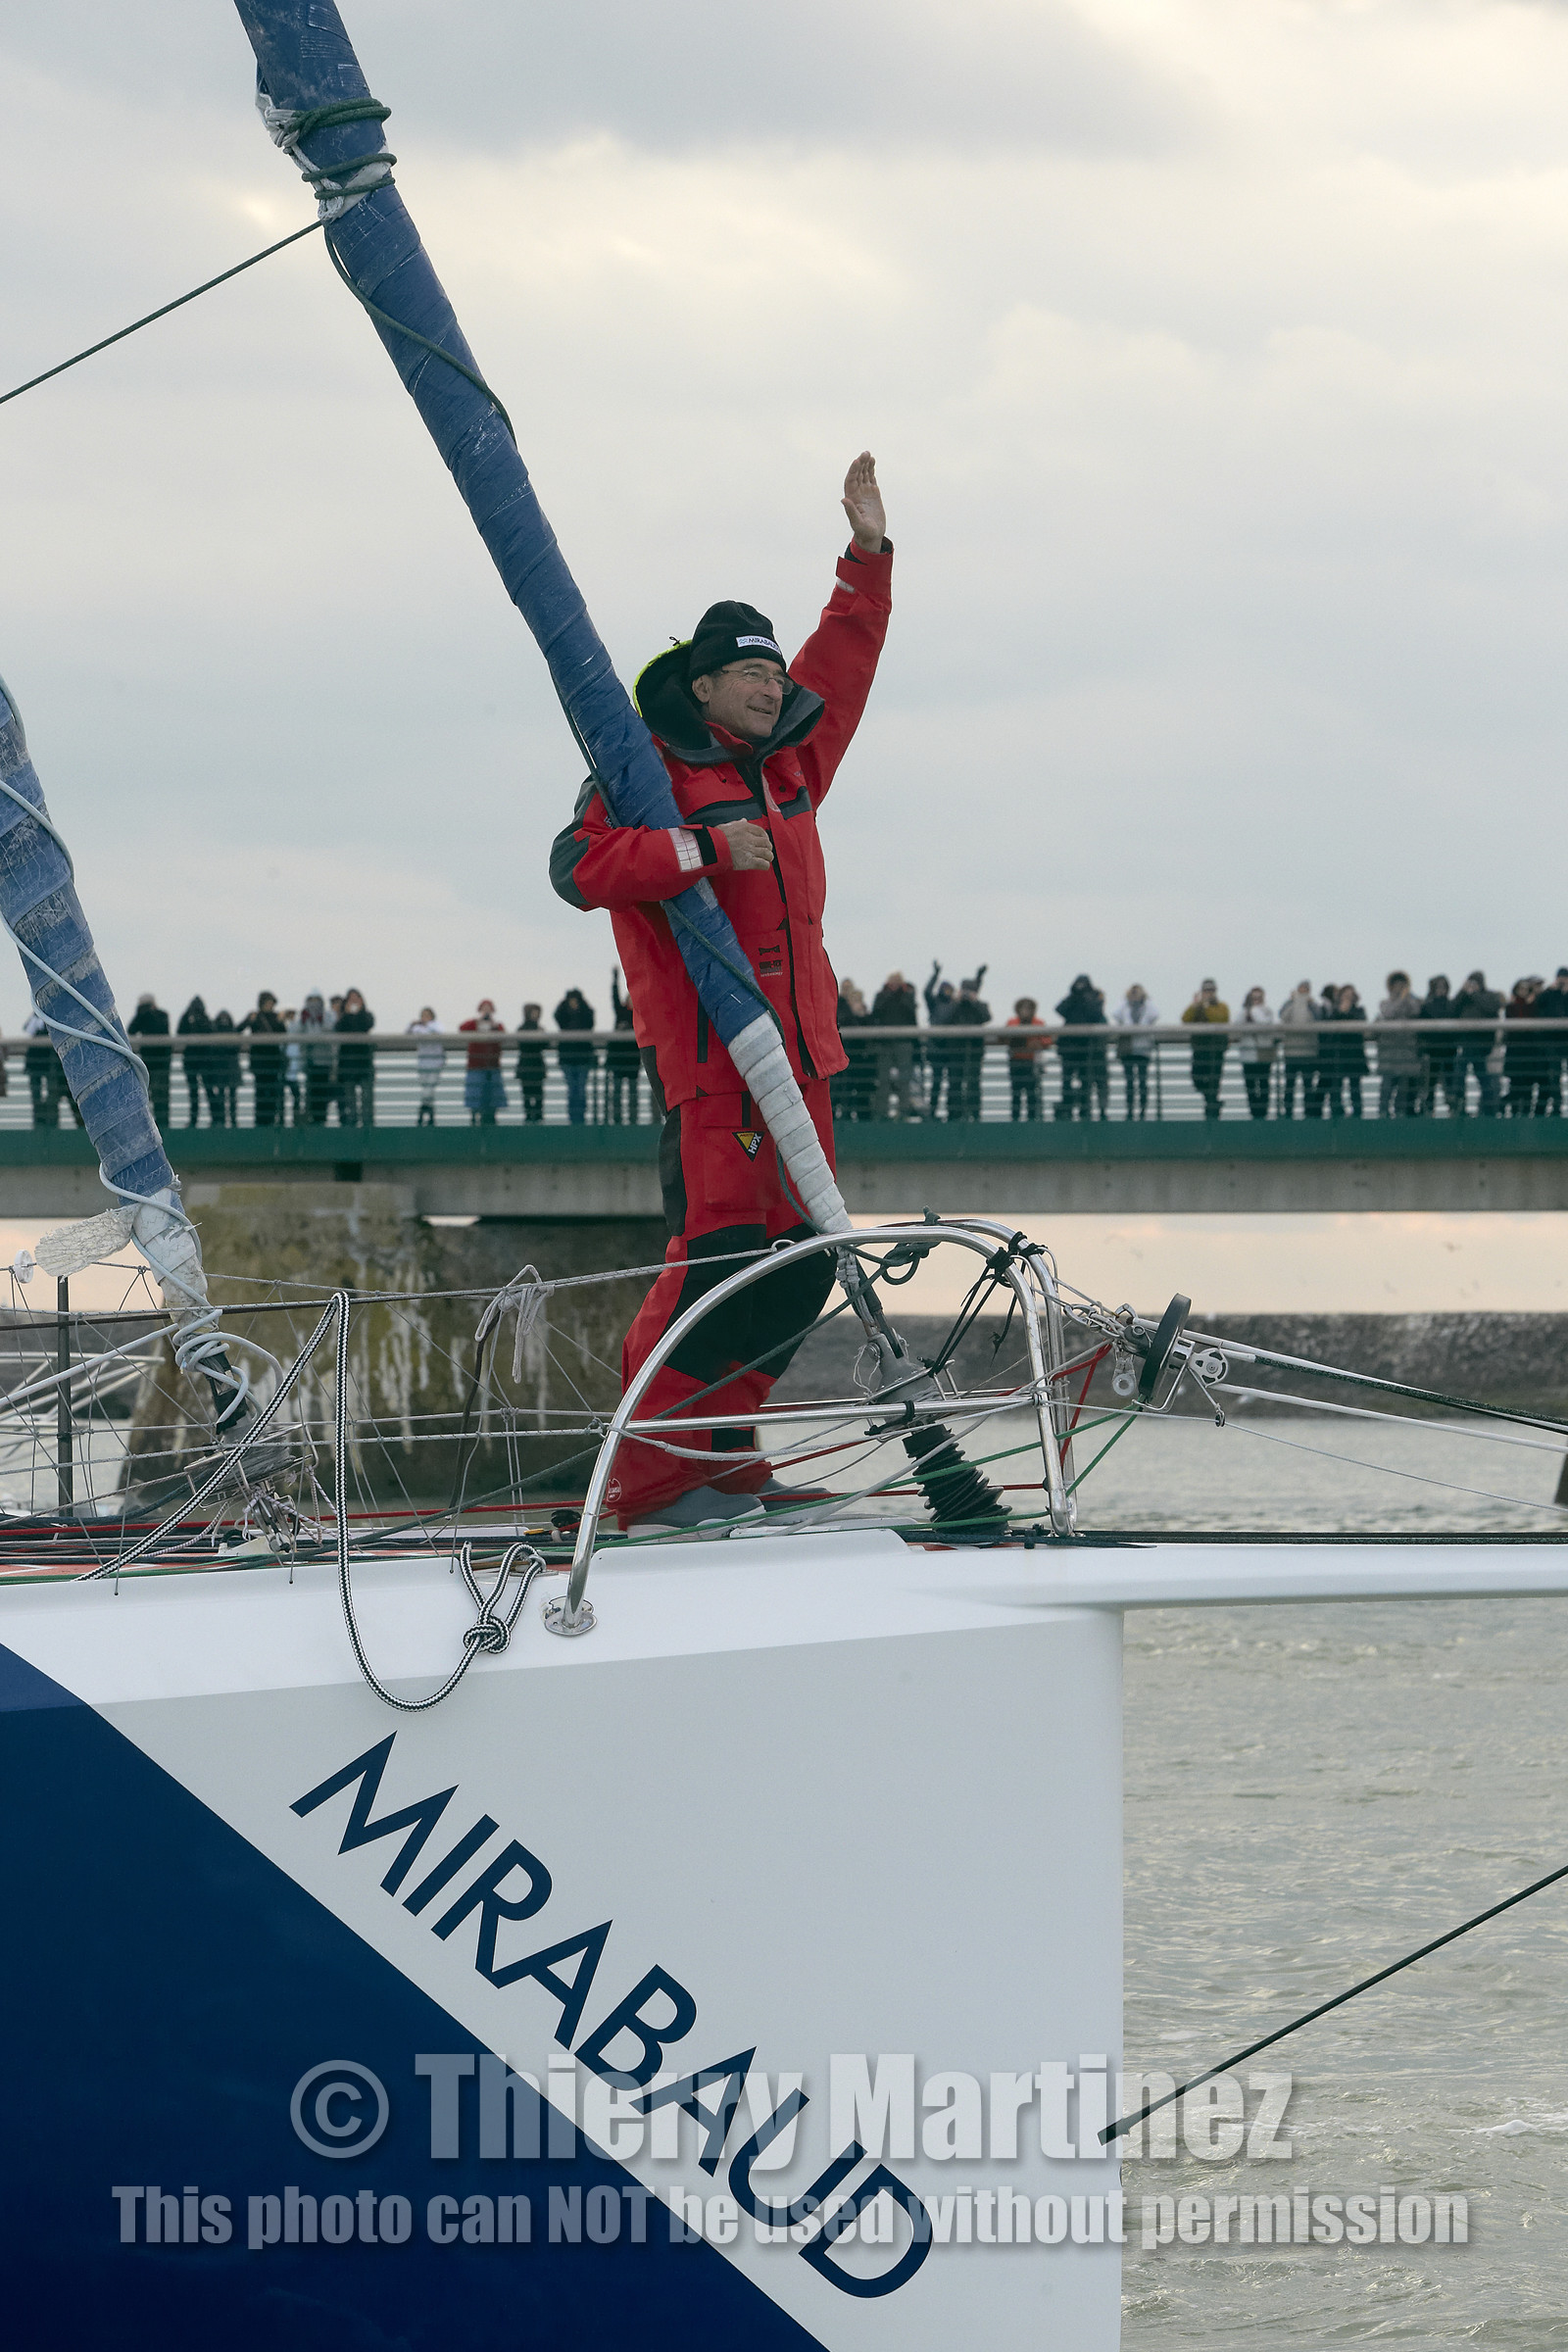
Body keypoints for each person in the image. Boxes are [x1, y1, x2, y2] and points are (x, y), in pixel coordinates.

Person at [550, 451, 892, 1532]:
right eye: (748, 673)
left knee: (803, 1269)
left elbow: (843, 666)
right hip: (715, 1069)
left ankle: (723, 1450)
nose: (770, 683)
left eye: (772, 672)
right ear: (701, 689)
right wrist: (699, 847)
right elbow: (575, 868)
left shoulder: (792, 765)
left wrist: (867, 559)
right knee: (716, 1265)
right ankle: (647, 1474)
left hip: (807, 1064)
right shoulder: (642, 772)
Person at [868, 970, 918, 1121]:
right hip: (884, 1043)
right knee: (883, 1080)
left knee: (904, 1080)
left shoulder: (907, 996)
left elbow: (911, 1015)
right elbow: (876, 1013)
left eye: (898, 980)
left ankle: (904, 1112)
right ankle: (881, 1113)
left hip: (903, 1042)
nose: (895, 983)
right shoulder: (881, 996)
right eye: (892, 980)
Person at [1452, 970, 1503, 1115]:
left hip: (1482, 1045)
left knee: (1482, 1077)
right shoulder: (1464, 999)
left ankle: (1486, 1108)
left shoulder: (1490, 996)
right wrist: (1462, 992)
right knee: (1463, 1074)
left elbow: (1491, 1008)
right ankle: (1460, 1105)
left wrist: (1474, 994)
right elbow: (1452, 1010)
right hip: (1466, 1043)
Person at [1054, 974, 1104, 1121]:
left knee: (1086, 1081)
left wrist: (1085, 998)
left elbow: (1095, 1015)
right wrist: (1074, 996)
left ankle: (1085, 1110)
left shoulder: (1094, 997)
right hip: (1068, 1047)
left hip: (1086, 1047)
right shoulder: (1071, 997)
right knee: (1066, 1081)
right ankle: (1067, 1109)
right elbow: (1059, 1010)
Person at [1376, 971, 1422, 1119]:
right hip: (1389, 1054)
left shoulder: (1413, 1001)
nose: (1399, 987)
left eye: (1402, 984)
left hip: (1407, 1053)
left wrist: (1407, 997)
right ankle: (1383, 1112)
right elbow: (1389, 1013)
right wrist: (1400, 998)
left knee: (1405, 1086)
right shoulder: (1385, 1003)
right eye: (1396, 985)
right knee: (1387, 1085)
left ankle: (1400, 1112)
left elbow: (1416, 1011)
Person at [946, 968, 991, 1120]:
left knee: (973, 1083)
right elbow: (944, 1019)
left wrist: (975, 1001)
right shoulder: (953, 1004)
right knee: (954, 1082)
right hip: (955, 1049)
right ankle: (953, 1114)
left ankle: (975, 1114)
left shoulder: (980, 1004)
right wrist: (955, 1002)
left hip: (975, 1049)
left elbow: (986, 1017)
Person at [1182, 979, 1229, 1118]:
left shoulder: (1222, 1006)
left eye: (1211, 991)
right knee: (1196, 1078)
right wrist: (1195, 1006)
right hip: (1200, 1049)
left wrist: (1206, 1006)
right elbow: (1185, 1019)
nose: (1208, 993)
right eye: (1206, 991)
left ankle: (1212, 1112)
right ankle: (1213, 1102)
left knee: (1214, 1082)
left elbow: (1219, 1019)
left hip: (1216, 1049)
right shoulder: (1196, 1006)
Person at [239, 991, 287, 1126]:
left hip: (273, 1061)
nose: (270, 1005)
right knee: (260, 1093)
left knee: (272, 1093)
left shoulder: (276, 1017)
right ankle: (260, 1122)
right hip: (260, 1062)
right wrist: (249, 1020)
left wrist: (281, 1021)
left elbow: (283, 1035)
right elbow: (238, 1029)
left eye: (272, 1002)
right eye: (268, 1002)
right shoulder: (255, 1016)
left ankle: (270, 1121)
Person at [1112, 984, 1159, 1119]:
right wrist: (1126, 999)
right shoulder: (1124, 1006)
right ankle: (1130, 1109)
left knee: (1143, 1081)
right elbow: (1115, 1013)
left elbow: (1155, 1014)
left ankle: (1143, 1109)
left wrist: (1145, 999)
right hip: (1128, 1049)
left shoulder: (1148, 1006)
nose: (1134, 994)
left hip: (1143, 1050)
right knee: (1129, 1082)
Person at [1417, 975, 1461, 1116]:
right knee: (1431, 1083)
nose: (1441, 990)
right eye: (1439, 987)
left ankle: (1453, 1109)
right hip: (1433, 1050)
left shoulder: (1449, 1005)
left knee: (1450, 1083)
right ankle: (1429, 1109)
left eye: (1443, 987)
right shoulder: (1428, 1006)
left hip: (1449, 1050)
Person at [1322, 984, 1367, 1118]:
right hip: (1338, 1054)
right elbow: (1330, 1025)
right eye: (1345, 995)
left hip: (1355, 1054)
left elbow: (1359, 1024)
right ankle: (1336, 1111)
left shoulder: (1359, 1010)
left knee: (1355, 1086)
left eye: (1350, 995)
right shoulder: (1333, 1011)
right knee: (1336, 1086)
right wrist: (1341, 1012)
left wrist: (1345, 1013)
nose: (1348, 997)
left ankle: (1358, 1112)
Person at [126, 993, 172, 1128]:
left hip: (160, 1063)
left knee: (161, 1097)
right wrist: (140, 1015)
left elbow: (159, 1029)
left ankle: (163, 1125)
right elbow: (131, 1030)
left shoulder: (162, 1015)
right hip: (148, 1063)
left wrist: (145, 1015)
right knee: (146, 1096)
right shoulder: (143, 1017)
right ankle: (150, 1125)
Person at [1503, 976, 1545, 1116]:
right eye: (1521, 989)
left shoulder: (1534, 1006)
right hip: (1515, 1053)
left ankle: (1526, 1114)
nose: (1523, 992)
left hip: (1529, 1054)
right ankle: (1513, 1113)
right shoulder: (1510, 1007)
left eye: (1526, 989)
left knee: (1528, 1088)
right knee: (1515, 1087)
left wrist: (1530, 1004)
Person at [460, 999, 506, 1124]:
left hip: (493, 1066)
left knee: (493, 1094)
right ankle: (475, 1116)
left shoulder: (497, 1025)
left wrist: (494, 1027)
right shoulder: (473, 1024)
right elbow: (462, 1028)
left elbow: (503, 1036)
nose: (486, 1011)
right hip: (476, 1065)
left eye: (489, 1008)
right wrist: (477, 1022)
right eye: (484, 1008)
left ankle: (491, 1117)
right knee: (475, 1092)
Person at [1277, 981, 1320, 1117]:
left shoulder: (1313, 1005)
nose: (1303, 991)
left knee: (1308, 1086)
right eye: (1301, 988)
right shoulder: (1289, 1003)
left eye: (1306, 989)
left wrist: (1308, 1003)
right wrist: (1293, 1002)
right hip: (1291, 1052)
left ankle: (1309, 1112)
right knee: (1289, 1086)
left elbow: (1317, 1018)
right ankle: (1288, 1112)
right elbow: (1283, 1016)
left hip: (1308, 1052)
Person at [554, 988, 597, 1124]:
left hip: (582, 1058)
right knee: (573, 1090)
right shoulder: (563, 1014)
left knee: (580, 1090)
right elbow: (557, 1016)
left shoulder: (585, 1014)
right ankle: (573, 1119)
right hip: (568, 1059)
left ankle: (580, 1118)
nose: (573, 1003)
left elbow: (590, 1021)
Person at [833, 979, 874, 1120]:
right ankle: (844, 1116)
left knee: (860, 1090)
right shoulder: (839, 1007)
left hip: (859, 1060)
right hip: (844, 1056)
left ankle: (859, 1116)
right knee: (842, 1089)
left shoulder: (865, 1015)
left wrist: (861, 1015)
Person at [335, 988, 375, 1126]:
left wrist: (359, 1012)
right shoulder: (342, 1018)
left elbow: (367, 1025)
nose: (354, 1002)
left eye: (356, 998)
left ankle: (367, 1125)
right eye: (351, 999)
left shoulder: (367, 1015)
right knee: (349, 1100)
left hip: (364, 1064)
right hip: (347, 1065)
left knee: (367, 1099)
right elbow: (338, 1029)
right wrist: (346, 1014)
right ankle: (352, 1124)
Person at [1005, 998, 1050, 1119]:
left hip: (1031, 1062)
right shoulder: (1012, 1023)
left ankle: (1031, 1118)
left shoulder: (1038, 1023)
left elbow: (1047, 1040)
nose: (1025, 1011)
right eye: (1023, 1008)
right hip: (1016, 1061)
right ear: (1018, 1010)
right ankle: (1015, 1118)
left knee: (1031, 1093)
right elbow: (1003, 1038)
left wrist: (1039, 1043)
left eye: (1028, 1008)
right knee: (1016, 1093)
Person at [607, 969, 642, 1123]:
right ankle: (617, 1119)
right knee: (617, 1093)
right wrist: (615, 979)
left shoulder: (640, 1015)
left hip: (632, 1061)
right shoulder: (621, 1011)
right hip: (618, 1059)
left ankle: (633, 1119)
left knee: (633, 1093)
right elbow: (614, 998)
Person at [1533, 965, 1568, 1116]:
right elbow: (1538, 1004)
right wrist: (1549, 990)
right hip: (1553, 1040)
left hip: (1564, 1039)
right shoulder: (1549, 993)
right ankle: (1557, 1108)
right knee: (1554, 1076)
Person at [1236, 987, 1275, 1118]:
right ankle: (1254, 1113)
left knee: (1264, 1084)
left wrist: (1254, 1011)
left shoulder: (1267, 1011)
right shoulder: (1243, 1013)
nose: (1256, 1001)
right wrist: (1247, 1011)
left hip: (1263, 1053)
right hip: (1248, 1055)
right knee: (1250, 1086)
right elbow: (1237, 1025)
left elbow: (1263, 1023)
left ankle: (1263, 1112)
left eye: (1259, 998)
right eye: (1253, 998)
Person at [293, 994, 333, 1124]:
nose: (313, 1005)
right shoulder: (303, 1017)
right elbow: (297, 1033)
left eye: (316, 1002)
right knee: (310, 1092)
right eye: (311, 1002)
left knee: (323, 1093)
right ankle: (311, 1119)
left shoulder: (327, 1016)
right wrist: (304, 1021)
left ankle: (321, 1120)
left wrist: (319, 1021)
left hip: (324, 1061)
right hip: (309, 1062)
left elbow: (330, 1030)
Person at [923, 964, 956, 1117]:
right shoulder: (934, 1003)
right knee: (936, 1082)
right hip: (936, 1047)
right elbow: (926, 992)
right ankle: (932, 1111)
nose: (947, 992)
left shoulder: (956, 1005)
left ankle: (952, 1111)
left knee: (952, 1082)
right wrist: (935, 975)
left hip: (950, 1048)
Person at [407, 1005, 447, 1126]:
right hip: (423, 1063)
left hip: (435, 1063)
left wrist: (426, 1025)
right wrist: (412, 1024)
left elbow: (439, 1032)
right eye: (423, 1015)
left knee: (428, 1090)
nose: (425, 1018)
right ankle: (430, 1115)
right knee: (427, 1090)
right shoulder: (417, 1027)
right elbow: (407, 1033)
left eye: (427, 1015)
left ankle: (422, 1113)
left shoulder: (436, 1025)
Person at [176, 996, 212, 1127]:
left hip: (191, 1059)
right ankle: (214, 1119)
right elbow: (210, 1032)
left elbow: (180, 1032)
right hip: (204, 1059)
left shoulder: (187, 1017)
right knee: (208, 1090)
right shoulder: (204, 1018)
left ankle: (193, 1120)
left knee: (194, 1091)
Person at [24, 1011, 60, 1128]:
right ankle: (39, 1122)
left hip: (49, 1065)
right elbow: (28, 1029)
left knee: (52, 1095)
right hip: (38, 1064)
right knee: (37, 1096)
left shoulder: (51, 1018)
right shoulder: (36, 1017)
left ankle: (50, 1122)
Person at [207, 1009, 242, 1127]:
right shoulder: (233, 1031)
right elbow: (237, 1047)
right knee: (232, 1096)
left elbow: (213, 1049)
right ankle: (233, 1121)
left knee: (222, 1095)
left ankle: (221, 1120)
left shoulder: (214, 1031)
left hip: (220, 1068)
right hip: (232, 1067)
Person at [515, 1004, 547, 1122]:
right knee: (528, 1093)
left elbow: (545, 1044)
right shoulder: (523, 1029)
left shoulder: (527, 1029)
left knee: (537, 1092)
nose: (536, 1015)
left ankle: (536, 1115)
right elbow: (525, 1044)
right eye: (533, 1012)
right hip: (529, 1064)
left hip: (533, 1064)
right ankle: (530, 1115)